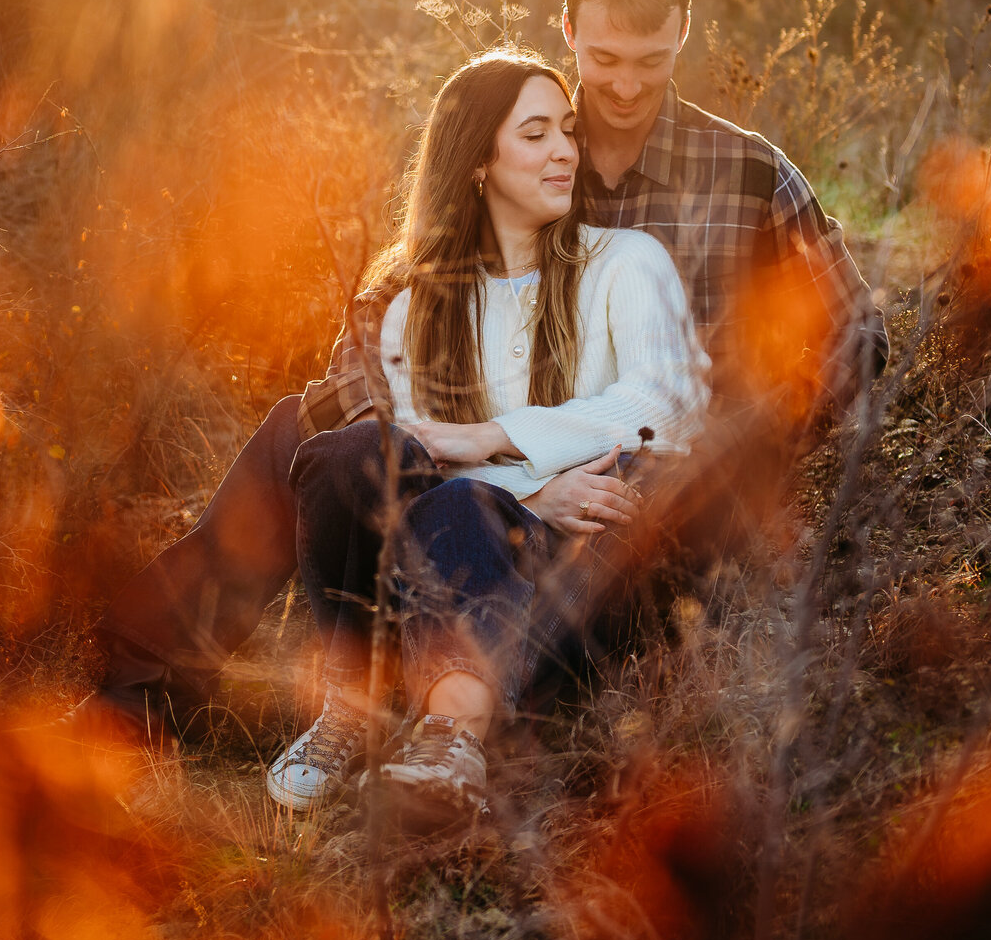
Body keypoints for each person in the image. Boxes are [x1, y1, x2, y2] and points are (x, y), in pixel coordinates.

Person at [88, 0, 884, 748]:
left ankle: (438, 709)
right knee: (307, 427)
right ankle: (140, 690)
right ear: (568, 28)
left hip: (630, 496)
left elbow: (857, 338)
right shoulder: (514, 138)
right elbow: (372, 343)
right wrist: (494, 464)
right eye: (604, 59)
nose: (622, 87)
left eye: (651, 61)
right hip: (475, 467)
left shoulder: (751, 175)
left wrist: (744, 444)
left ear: (685, 27)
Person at [259, 50, 704, 825]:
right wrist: (534, 488)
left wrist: (492, 436)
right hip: (425, 586)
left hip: (564, 593)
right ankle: (354, 712)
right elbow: (405, 471)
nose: (565, 150)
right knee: (347, 457)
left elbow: (666, 407)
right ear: (476, 163)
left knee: (461, 495)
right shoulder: (416, 308)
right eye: (535, 134)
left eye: (566, 130)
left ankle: (451, 741)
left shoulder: (626, 263)